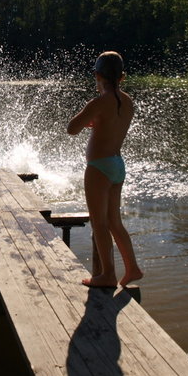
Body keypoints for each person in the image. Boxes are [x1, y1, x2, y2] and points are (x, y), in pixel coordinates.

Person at [67, 51, 143, 288]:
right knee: (114, 222)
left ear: (97, 75)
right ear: (122, 77)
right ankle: (132, 268)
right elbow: (111, 125)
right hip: (118, 165)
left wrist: (91, 117)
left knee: (98, 223)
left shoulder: (98, 102)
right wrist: (97, 121)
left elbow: (71, 128)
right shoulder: (128, 101)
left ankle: (107, 275)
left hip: (99, 167)